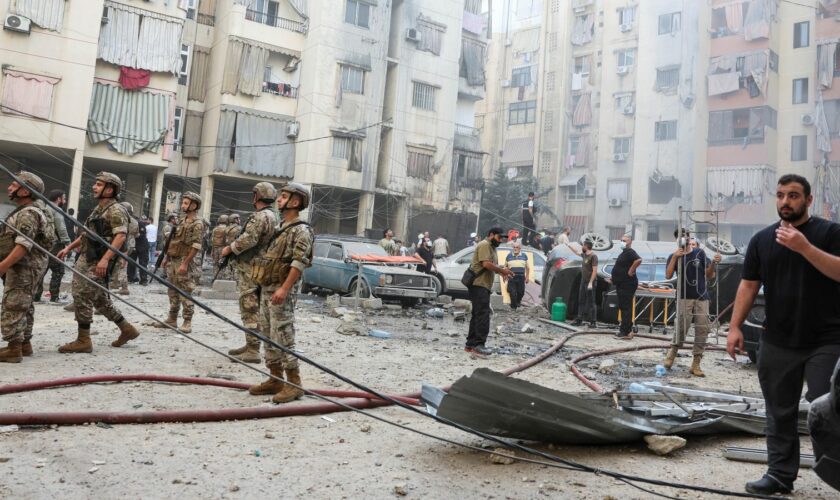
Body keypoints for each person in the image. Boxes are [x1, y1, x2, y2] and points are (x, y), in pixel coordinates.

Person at [726, 174, 840, 495]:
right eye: (780, 195)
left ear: (808, 200)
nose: (785, 202)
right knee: (779, 412)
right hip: (777, 340)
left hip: (827, 340)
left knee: (830, 409)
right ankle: (779, 475)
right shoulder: (762, 240)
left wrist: (804, 248)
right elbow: (748, 285)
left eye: (793, 195)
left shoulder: (829, 233)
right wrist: (735, 327)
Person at [56, 172, 140, 353]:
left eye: (99, 184)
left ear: (110, 189)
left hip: (98, 259)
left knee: (81, 294)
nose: (94, 187)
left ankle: (83, 340)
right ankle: (127, 329)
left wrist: (105, 260)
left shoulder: (115, 209)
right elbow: (87, 233)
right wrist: (69, 247)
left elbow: (120, 236)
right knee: (100, 299)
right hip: (89, 257)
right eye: (95, 183)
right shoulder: (99, 208)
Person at [248, 183, 314, 404]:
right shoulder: (281, 227)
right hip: (268, 288)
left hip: (281, 290)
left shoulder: (301, 230)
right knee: (267, 334)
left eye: (284, 196)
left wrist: (284, 288)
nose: (279, 199)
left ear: (295, 202)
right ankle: (275, 378)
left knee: (284, 336)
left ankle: (294, 384)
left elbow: (299, 262)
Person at [222, 182, 278, 363]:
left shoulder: (261, 216)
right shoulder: (272, 215)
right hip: (261, 266)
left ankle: (253, 349)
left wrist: (229, 249)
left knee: (249, 305)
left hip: (251, 267)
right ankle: (251, 344)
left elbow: (249, 239)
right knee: (254, 305)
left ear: (257, 196)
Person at [0, 172, 53, 362]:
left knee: (13, 304)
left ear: (25, 191)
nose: (9, 188)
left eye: (14, 185)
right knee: (26, 304)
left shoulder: (29, 213)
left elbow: (24, 244)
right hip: (29, 266)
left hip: (24, 266)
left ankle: (13, 348)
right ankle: (24, 344)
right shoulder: (31, 210)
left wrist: (3, 266)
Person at [662, 228, 721, 376]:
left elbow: (710, 275)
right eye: (681, 236)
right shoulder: (673, 256)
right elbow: (668, 275)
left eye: (686, 236)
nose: (685, 238)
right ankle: (672, 354)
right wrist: (675, 257)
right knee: (682, 327)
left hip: (702, 297)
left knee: (702, 328)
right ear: (677, 240)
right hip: (684, 297)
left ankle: (696, 364)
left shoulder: (699, 254)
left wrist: (713, 263)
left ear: (689, 238)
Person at [159, 192, 205, 334]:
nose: (183, 205)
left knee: (185, 292)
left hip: (184, 261)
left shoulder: (197, 223)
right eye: (183, 203)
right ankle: (172, 318)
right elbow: (172, 241)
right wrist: (166, 258)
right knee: (172, 290)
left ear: (194, 205)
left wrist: (185, 263)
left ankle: (187, 321)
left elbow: (196, 246)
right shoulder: (181, 221)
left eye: (186, 203)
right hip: (173, 260)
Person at [465, 227, 514, 357]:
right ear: (491, 235)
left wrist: (502, 270)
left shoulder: (491, 247)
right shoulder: (485, 245)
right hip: (479, 284)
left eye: (502, 238)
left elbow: (491, 265)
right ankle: (479, 345)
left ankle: (470, 344)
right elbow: (486, 264)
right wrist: (502, 271)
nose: (500, 241)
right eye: (499, 237)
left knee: (477, 314)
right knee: (483, 314)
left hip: (483, 284)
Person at [33, 189, 70, 303]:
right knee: (58, 270)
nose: (65, 200)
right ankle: (54, 297)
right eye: (64, 197)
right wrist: (68, 243)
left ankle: (36, 296)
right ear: (59, 199)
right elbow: (61, 228)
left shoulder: (43, 208)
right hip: (55, 244)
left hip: (41, 243)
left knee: (42, 269)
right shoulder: (56, 210)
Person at [611, 235, 642, 340]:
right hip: (621, 283)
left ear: (630, 242)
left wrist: (631, 270)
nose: (622, 242)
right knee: (623, 307)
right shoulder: (624, 253)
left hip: (628, 284)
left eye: (624, 241)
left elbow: (638, 260)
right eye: (621, 240)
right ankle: (624, 329)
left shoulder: (630, 252)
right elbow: (621, 267)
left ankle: (626, 331)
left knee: (626, 307)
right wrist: (614, 278)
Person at [566, 240, 598, 328]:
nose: (582, 247)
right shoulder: (584, 255)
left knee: (591, 302)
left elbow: (595, 271)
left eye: (583, 245)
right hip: (583, 281)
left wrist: (591, 283)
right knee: (581, 300)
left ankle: (593, 322)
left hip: (590, 282)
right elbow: (576, 252)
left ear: (586, 246)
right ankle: (579, 319)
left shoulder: (593, 256)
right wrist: (569, 245)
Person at [109, 201, 138, 296]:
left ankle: (124, 287)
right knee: (119, 263)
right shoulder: (135, 221)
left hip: (122, 244)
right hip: (131, 244)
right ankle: (115, 283)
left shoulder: (123, 219)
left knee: (121, 265)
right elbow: (136, 234)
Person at [504, 242, 530, 310]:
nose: (515, 249)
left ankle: (518, 302)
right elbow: (505, 267)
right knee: (512, 292)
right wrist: (506, 275)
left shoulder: (524, 256)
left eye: (517, 247)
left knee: (521, 292)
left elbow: (527, 268)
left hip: (521, 277)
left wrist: (527, 277)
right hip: (512, 277)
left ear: (520, 248)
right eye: (514, 247)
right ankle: (513, 307)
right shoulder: (509, 256)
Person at [130, 215, 150, 286]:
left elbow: (142, 234)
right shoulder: (128, 223)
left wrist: (133, 235)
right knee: (131, 263)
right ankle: (131, 278)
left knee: (143, 263)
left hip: (142, 246)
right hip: (133, 245)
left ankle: (144, 280)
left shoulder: (140, 224)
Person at [222, 213, 242, 281]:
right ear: (234, 220)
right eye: (238, 219)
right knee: (236, 267)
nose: (239, 220)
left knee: (228, 265)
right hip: (236, 249)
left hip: (227, 248)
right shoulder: (239, 228)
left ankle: (228, 280)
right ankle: (236, 282)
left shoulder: (226, 228)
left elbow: (224, 240)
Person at [211, 214, 229, 280]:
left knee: (215, 263)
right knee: (222, 264)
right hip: (223, 248)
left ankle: (215, 278)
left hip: (215, 248)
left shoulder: (215, 229)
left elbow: (212, 240)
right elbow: (227, 240)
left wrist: (212, 250)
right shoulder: (227, 229)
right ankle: (221, 279)